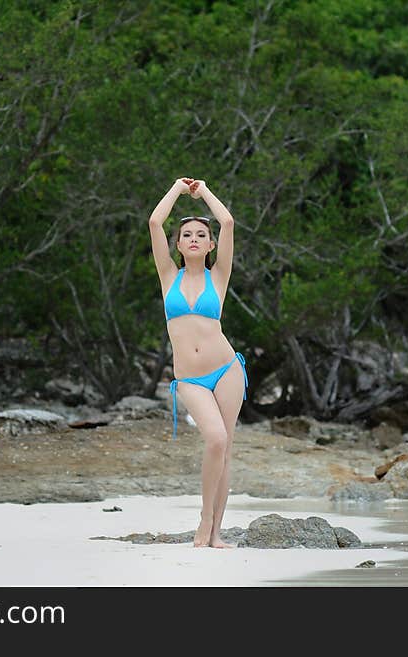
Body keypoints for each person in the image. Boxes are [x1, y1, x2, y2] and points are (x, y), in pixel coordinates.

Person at [148, 177, 249, 548]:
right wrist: (176, 189)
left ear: (209, 245)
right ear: (178, 244)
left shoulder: (218, 277)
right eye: (186, 234)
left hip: (227, 370)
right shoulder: (168, 277)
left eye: (199, 235)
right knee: (215, 438)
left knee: (225, 446)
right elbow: (155, 222)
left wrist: (203, 191)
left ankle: (216, 533)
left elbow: (229, 223)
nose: (193, 238)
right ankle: (204, 523)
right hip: (190, 380)